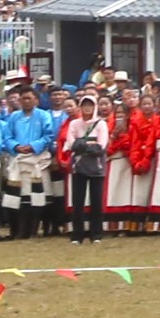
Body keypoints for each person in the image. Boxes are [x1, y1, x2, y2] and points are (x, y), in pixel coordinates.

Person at [58, 93, 111, 245]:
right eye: (84, 105)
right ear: (80, 107)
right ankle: (77, 235)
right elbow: (71, 144)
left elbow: (100, 147)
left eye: (90, 105)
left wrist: (82, 144)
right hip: (79, 167)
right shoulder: (74, 124)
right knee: (78, 202)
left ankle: (96, 234)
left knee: (96, 201)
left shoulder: (101, 124)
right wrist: (88, 145)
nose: (87, 108)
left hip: (97, 167)